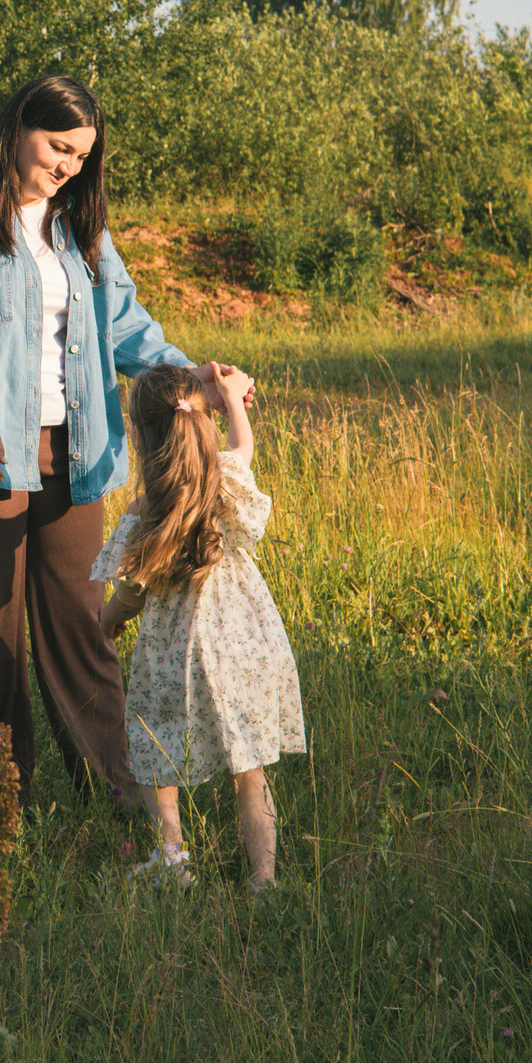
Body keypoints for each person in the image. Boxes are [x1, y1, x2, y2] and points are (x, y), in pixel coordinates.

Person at [0, 75, 226, 811]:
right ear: (18, 127)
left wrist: (192, 371)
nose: (69, 164)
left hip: (73, 449)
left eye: (81, 155)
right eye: (58, 145)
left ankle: (124, 806)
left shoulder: (78, 226)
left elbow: (126, 323)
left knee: (81, 625)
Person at [96, 362, 305, 890]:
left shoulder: (148, 509)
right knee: (249, 772)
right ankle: (263, 878)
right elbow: (244, 446)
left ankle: (173, 858)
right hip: (243, 648)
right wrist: (233, 398)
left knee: (155, 748)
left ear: (140, 436)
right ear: (201, 424)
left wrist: (108, 621)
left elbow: (130, 591)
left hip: (176, 656)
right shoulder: (226, 480)